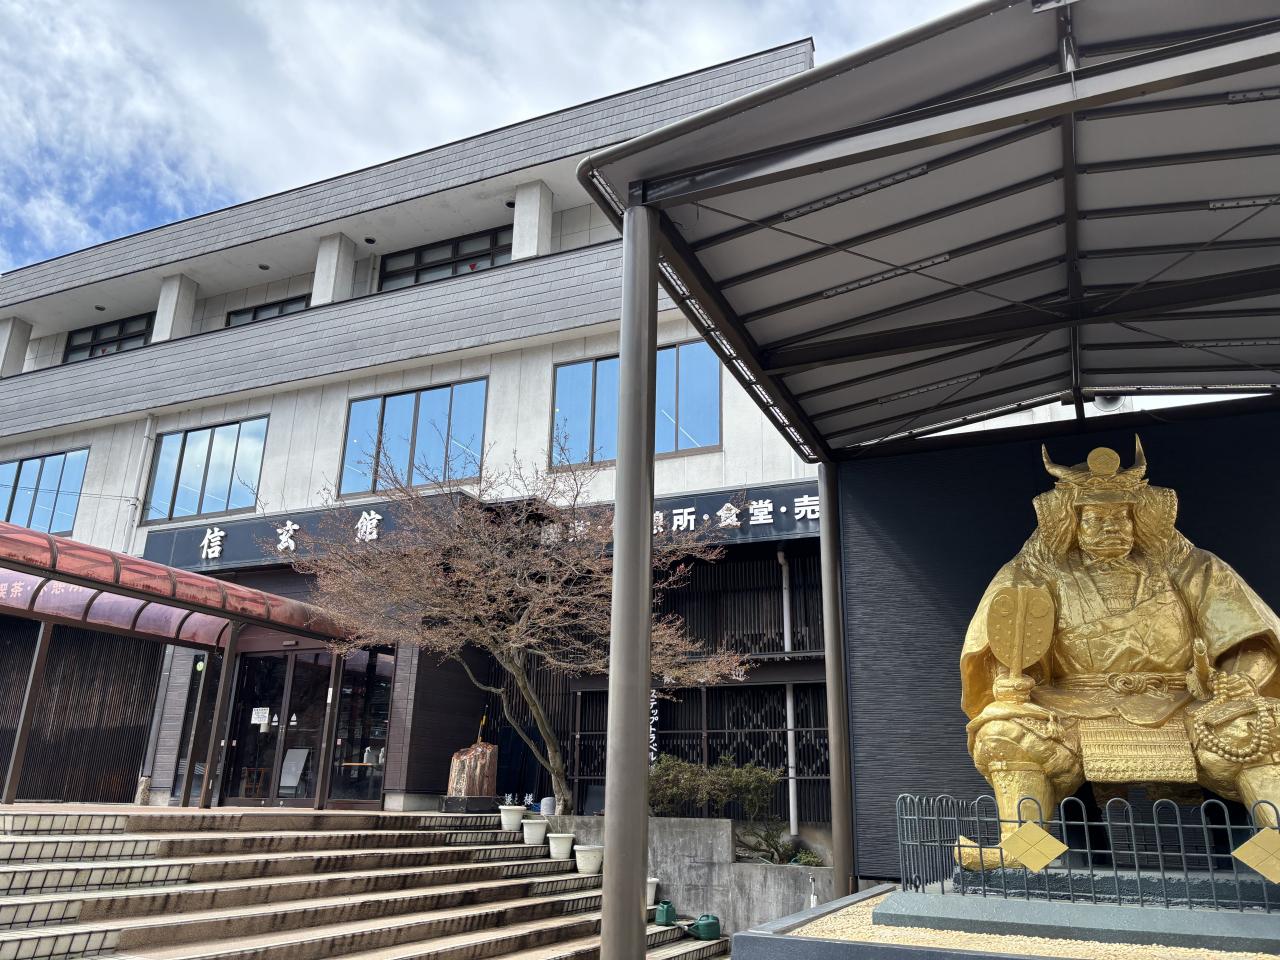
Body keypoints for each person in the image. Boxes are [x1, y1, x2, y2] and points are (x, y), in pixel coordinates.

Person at [960, 439, 1280, 865]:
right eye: (1096, 518)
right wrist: (1011, 681)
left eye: (1121, 517)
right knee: (1003, 730)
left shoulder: (1193, 566)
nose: (1111, 527)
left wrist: (1241, 679)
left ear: (1138, 519)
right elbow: (1008, 636)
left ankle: (1273, 848)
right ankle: (1022, 848)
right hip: (1072, 706)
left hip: (1183, 702)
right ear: (1071, 523)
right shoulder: (1034, 572)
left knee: (1255, 725)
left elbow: (1250, 637)